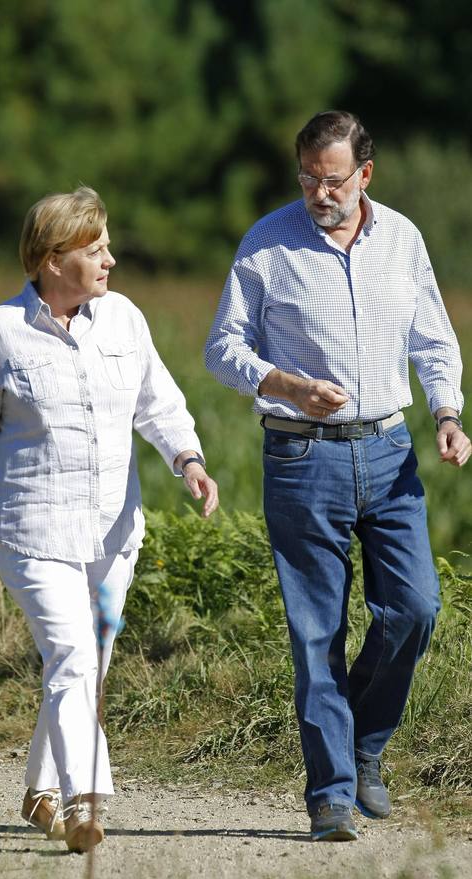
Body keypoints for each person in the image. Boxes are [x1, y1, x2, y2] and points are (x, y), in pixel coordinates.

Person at [0, 186, 218, 852]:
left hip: (114, 535)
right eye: (96, 247)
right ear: (53, 259)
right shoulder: (0, 331)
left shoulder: (124, 320)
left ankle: (39, 793)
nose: (111, 259)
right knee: (75, 656)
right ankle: (85, 801)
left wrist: (189, 461)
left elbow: (158, 404)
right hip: (32, 533)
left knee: (84, 664)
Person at [205, 110, 470, 842]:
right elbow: (221, 348)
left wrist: (447, 412)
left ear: (365, 175)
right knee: (315, 629)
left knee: (416, 608)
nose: (320, 193)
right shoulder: (267, 244)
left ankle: (363, 742)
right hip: (300, 456)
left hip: (388, 451)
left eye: (333, 179)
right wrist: (282, 383)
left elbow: (434, 338)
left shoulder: (404, 241)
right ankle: (331, 794)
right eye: (308, 179)